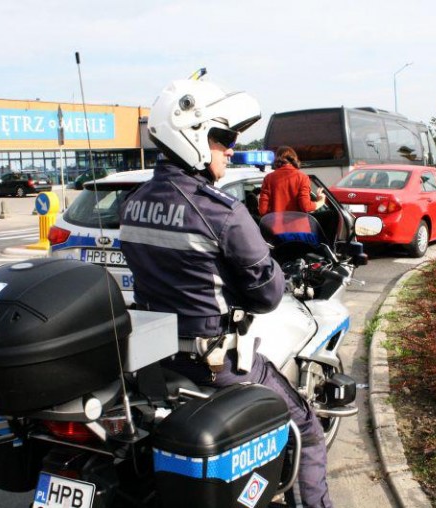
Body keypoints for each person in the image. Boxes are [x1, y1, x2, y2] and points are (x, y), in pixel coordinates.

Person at [119, 76, 333, 508]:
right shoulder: (223, 212)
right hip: (214, 366)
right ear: (194, 138)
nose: (231, 148)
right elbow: (269, 295)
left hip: (153, 360)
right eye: (223, 137)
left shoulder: (133, 204)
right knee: (307, 430)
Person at [258, 145, 326, 215]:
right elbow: (306, 207)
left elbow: (262, 210)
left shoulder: (268, 178)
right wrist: (321, 201)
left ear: (276, 159)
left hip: (275, 225)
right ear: (294, 158)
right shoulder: (302, 177)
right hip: (298, 225)